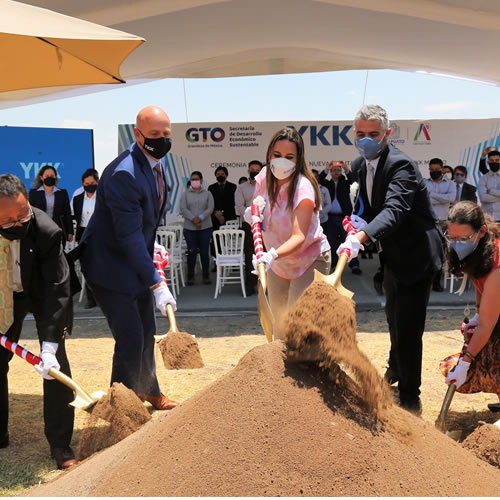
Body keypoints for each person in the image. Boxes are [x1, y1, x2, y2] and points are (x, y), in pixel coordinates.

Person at [337, 104, 443, 413]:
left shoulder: (401, 166)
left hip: (416, 255)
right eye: (360, 133)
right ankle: (396, 369)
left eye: (373, 134)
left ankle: (410, 396)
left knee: (409, 327)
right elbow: (368, 208)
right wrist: (356, 223)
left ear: (387, 134)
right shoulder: (359, 164)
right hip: (392, 255)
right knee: (393, 317)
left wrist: (362, 236)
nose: (366, 139)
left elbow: (394, 210)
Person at [76, 105, 177, 410]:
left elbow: (143, 224)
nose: (161, 140)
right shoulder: (124, 173)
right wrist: (157, 283)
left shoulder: (155, 166)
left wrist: (154, 244)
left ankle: (148, 390)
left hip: (132, 259)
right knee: (130, 336)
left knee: (147, 329)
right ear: (137, 134)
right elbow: (128, 236)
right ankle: (120, 408)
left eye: (165, 135)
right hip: (109, 265)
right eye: (153, 135)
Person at [0, 174, 76, 469]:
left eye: (23, 215)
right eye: (8, 222)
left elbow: (57, 289)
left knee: (56, 364)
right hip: (5, 294)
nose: (19, 225)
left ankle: (60, 443)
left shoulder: (46, 230)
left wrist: (49, 345)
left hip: (43, 291)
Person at [249, 127, 331, 340]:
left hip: (309, 260)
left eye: (289, 157)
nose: (281, 161)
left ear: (298, 158)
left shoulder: (304, 188)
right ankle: (280, 373)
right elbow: (258, 210)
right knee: (279, 327)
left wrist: (271, 255)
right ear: (269, 154)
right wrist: (253, 216)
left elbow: (299, 236)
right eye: (277, 155)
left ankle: (310, 370)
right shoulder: (264, 177)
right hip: (278, 264)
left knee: (299, 326)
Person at [441, 201, 500, 413]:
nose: (457, 244)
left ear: (481, 232)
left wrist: (465, 363)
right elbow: (478, 280)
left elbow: (487, 326)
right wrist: (477, 314)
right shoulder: (476, 251)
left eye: (463, 238)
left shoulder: (497, 266)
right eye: (452, 238)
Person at [319, 160, 362, 274]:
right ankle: (334, 265)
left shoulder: (345, 182)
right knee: (332, 242)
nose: (337, 172)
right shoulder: (326, 183)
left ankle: (354, 265)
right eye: (334, 170)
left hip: (345, 217)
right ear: (331, 172)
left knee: (349, 240)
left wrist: (347, 170)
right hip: (330, 217)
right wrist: (326, 169)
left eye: (339, 170)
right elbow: (317, 180)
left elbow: (355, 182)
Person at [424, 157, 455, 291]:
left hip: (443, 223)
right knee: (426, 253)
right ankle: (426, 281)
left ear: (442, 169)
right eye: (432, 169)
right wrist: (441, 197)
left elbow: (451, 198)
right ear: (429, 169)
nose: (434, 171)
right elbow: (425, 199)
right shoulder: (424, 183)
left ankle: (437, 282)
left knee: (441, 254)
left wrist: (433, 195)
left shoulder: (450, 184)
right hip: (428, 222)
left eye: (437, 169)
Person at [180, 171, 214, 286]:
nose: (194, 181)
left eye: (196, 179)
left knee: (204, 252)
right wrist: (193, 219)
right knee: (192, 251)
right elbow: (183, 209)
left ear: (201, 180)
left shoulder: (208, 194)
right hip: (190, 228)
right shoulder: (185, 194)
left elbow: (210, 208)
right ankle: (190, 275)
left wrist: (200, 218)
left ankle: (206, 275)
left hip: (205, 227)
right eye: (192, 179)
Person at [71, 168, 99, 308]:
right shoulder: (77, 198)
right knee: (85, 267)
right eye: (86, 183)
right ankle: (91, 299)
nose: (89, 185)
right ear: (82, 184)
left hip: (99, 234)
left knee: (101, 265)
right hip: (83, 234)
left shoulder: (103, 197)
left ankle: (103, 297)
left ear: (97, 182)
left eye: (92, 182)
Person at [235, 160, 263, 295]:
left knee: (266, 254)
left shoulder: (267, 186)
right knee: (250, 255)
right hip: (249, 225)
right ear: (248, 171)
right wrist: (252, 217)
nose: (255, 172)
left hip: (265, 225)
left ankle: (264, 284)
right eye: (253, 169)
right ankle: (250, 285)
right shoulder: (241, 188)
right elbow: (239, 206)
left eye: (258, 170)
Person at [29, 164, 73, 243]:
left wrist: (70, 232)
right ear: (41, 177)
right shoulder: (34, 193)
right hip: (39, 230)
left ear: (56, 177)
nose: (50, 177)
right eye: (47, 175)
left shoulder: (62, 193)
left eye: (52, 175)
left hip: (58, 230)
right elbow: (30, 213)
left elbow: (67, 213)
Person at [208, 166, 237, 269]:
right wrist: (217, 213)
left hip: (229, 217)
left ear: (226, 175)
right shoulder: (211, 188)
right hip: (215, 218)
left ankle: (232, 262)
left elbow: (233, 202)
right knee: (216, 240)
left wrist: (223, 214)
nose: (220, 176)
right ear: (215, 175)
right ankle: (217, 262)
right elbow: (210, 203)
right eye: (218, 174)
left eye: (222, 174)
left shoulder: (233, 187)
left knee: (229, 240)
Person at [478, 155, 500, 222]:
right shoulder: (483, 178)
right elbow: (483, 198)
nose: (494, 162)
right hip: (486, 218)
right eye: (492, 160)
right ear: (488, 162)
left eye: (497, 160)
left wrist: (491, 191)